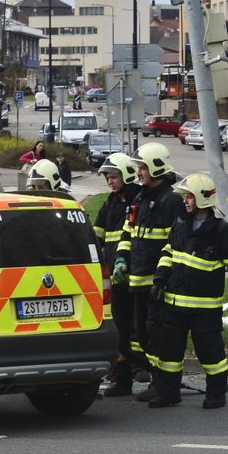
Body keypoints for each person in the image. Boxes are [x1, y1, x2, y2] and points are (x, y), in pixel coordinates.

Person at [149, 172, 228, 409]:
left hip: (205, 308)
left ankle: (216, 393)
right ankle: (168, 393)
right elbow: (168, 252)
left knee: (211, 353)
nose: (185, 201)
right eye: (185, 197)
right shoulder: (181, 222)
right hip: (174, 304)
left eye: (189, 197)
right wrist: (160, 278)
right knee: (169, 354)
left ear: (202, 199)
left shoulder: (220, 230)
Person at [115, 143, 185, 402]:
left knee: (159, 336)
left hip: (160, 283)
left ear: (156, 167)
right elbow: (128, 232)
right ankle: (158, 382)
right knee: (143, 335)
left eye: (142, 167)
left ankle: (167, 389)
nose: (139, 172)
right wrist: (122, 258)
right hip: (138, 281)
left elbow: (176, 242)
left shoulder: (172, 200)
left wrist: (164, 277)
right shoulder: (140, 198)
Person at [95, 153, 142, 397]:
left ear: (127, 174)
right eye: (108, 178)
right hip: (116, 276)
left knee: (139, 329)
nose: (110, 182)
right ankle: (121, 379)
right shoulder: (110, 203)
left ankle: (144, 369)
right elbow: (96, 236)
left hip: (138, 275)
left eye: (114, 177)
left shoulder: (139, 200)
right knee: (120, 330)